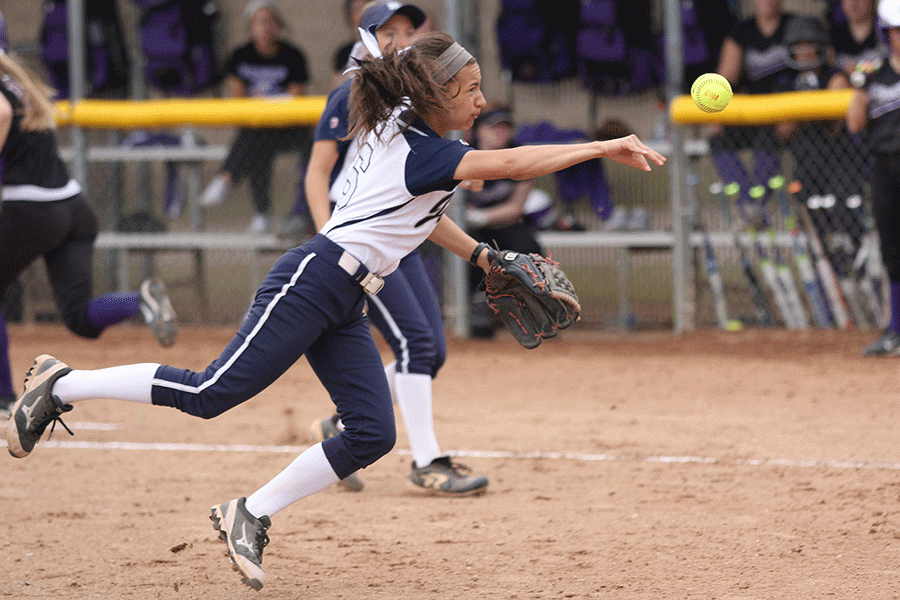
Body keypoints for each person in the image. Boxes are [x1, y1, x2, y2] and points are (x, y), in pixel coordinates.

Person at [5, 30, 665, 591]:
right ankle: (62, 384)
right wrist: (603, 148)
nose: (483, 100)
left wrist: (483, 258)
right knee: (211, 391)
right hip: (313, 280)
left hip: (349, 296)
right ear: (437, 97)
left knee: (373, 432)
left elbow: (421, 217)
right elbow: (516, 161)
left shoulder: (416, 134)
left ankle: (250, 511)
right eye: (470, 90)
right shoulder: (429, 148)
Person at [306, 1, 488, 495]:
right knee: (417, 346)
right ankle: (427, 461)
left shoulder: (412, 100)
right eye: (389, 31)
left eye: (409, 30)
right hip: (358, 238)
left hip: (402, 231)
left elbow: (423, 167)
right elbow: (318, 175)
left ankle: (341, 425)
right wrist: (328, 242)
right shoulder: (354, 92)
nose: (401, 38)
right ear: (365, 39)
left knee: (432, 351)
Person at [0, 38, 176, 415]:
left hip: (30, 209)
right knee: (80, 318)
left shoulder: (4, 86)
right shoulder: (22, 81)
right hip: (73, 208)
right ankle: (138, 301)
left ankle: (2, 397)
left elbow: (0, 114)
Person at [198, 0, 313, 234]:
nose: (265, 27)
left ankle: (227, 177)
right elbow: (239, 99)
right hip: (257, 126)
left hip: (287, 127)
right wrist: (268, 104)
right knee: (258, 143)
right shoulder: (240, 55)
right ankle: (262, 213)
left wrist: (265, 103)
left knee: (259, 140)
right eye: (259, 22)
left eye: (270, 21)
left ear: (279, 25)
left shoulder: (293, 55)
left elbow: (297, 96)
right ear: (250, 27)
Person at [463, 106, 550, 338]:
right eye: (493, 127)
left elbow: (515, 208)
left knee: (528, 248)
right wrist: (469, 218)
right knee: (472, 252)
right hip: (468, 228)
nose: (499, 133)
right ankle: (477, 307)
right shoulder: (464, 156)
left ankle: (530, 308)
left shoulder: (520, 159)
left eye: (505, 128)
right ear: (478, 130)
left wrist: (482, 216)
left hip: (503, 223)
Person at [846, 0, 900, 356]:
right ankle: (895, 330)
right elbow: (854, 124)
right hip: (885, 167)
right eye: (896, 31)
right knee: (893, 251)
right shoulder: (874, 72)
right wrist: (859, 87)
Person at [711, 0, 796, 209]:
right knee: (717, 138)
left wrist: (795, 115)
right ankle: (747, 203)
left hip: (789, 114)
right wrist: (716, 112)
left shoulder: (795, 26)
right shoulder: (741, 32)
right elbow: (726, 78)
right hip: (754, 113)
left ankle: (758, 202)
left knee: (769, 138)